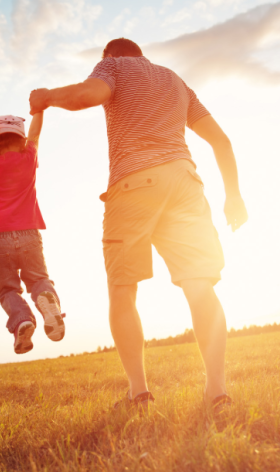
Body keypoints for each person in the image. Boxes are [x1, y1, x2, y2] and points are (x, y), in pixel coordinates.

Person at [29, 38, 248, 411]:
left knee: (123, 289)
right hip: (185, 183)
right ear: (141, 54)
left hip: (134, 183)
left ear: (109, 56)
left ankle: (139, 394)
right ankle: (217, 391)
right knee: (199, 285)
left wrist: (46, 97)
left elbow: (88, 95)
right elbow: (221, 142)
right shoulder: (176, 80)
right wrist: (234, 196)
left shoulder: (113, 66)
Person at [0, 111, 65, 354]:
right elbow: (35, 133)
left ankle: (22, 320)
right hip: (28, 234)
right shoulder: (29, 157)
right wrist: (39, 110)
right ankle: (47, 299)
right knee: (38, 279)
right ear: (21, 140)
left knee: (8, 289)